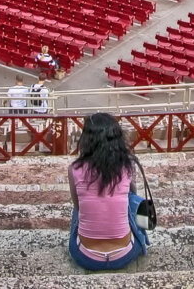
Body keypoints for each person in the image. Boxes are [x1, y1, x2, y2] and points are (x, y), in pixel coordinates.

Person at [68, 113, 149, 271]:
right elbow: (131, 198)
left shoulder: (75, 168)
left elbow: (78, 206)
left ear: (86, 139)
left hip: (86, 257)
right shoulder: (127, 166)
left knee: (79, 207)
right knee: (130, 198)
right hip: (124, 255)